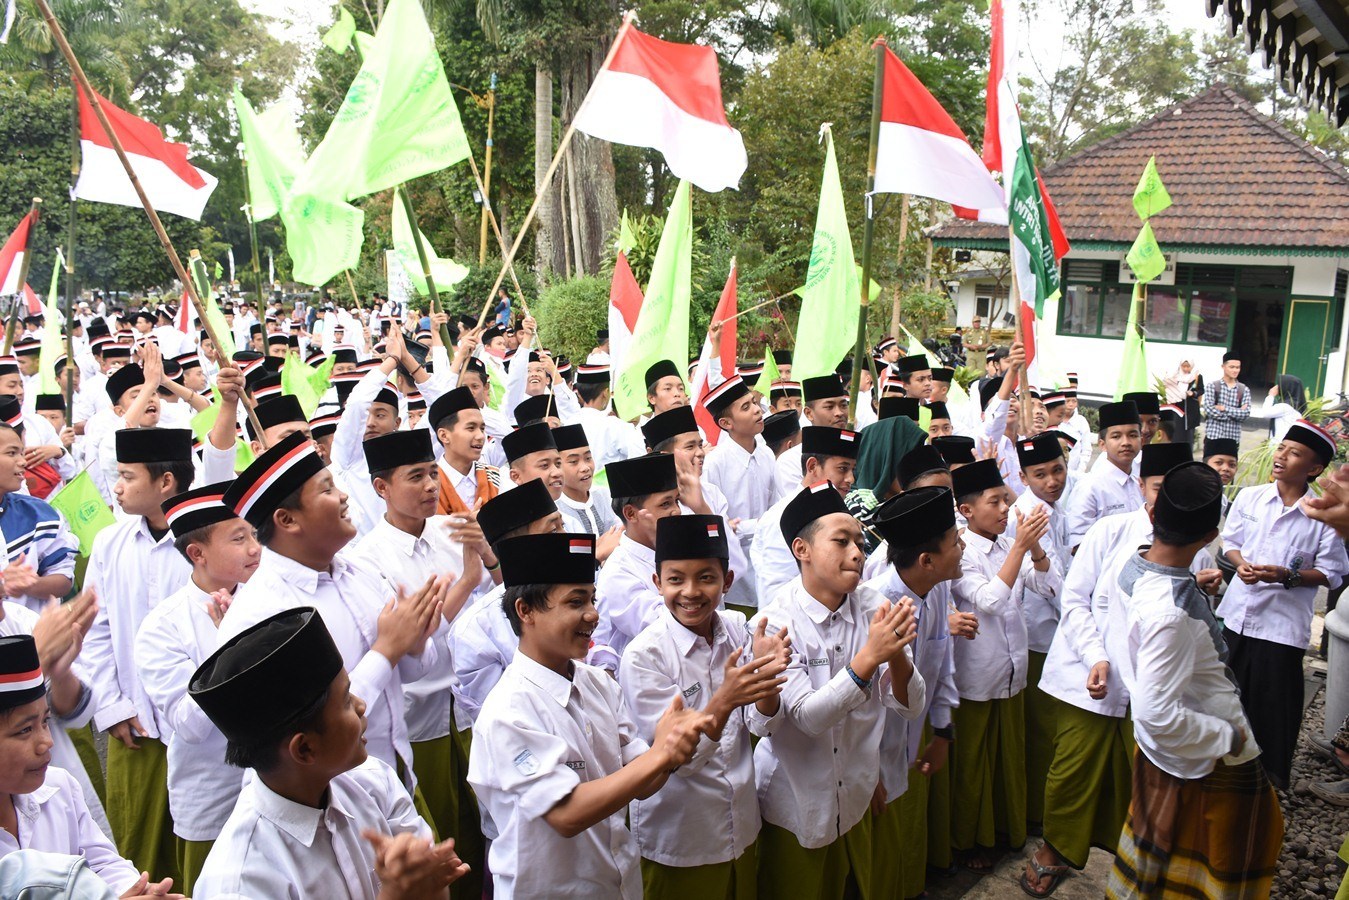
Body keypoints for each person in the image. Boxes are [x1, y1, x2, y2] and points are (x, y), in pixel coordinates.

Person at [467, 532, 713, 900]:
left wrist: (674, 747)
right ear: (525, 611)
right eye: (575, 601)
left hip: (614, 881)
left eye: (593, 599)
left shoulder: (597, 683)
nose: (593, 614)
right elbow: (567, 814)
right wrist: (662, 754)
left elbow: (642, 781)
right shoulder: (509, 710)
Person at [216, 431, 448, 790]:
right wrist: (386, 651)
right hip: (335, 804)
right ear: (287, 520)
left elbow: (414, 672)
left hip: (396, 780)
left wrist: (414, 642)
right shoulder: (264, 615)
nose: (343, 497)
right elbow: (311, 734)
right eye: (326, 490)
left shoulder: (359, 572)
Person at [1024, 442, 1204, 897]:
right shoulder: (1110, 530)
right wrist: (1096, 656)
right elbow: (1075, 598)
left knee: (1142, 775)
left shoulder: (1192, 543)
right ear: (1142, 487)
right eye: (1160, 489)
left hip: (1150, 686)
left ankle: (1137, 862)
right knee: (1071, 769)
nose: (1167, 502)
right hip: (1090, 675)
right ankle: (1055, 851)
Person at [191, 608, 468, 898]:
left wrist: (425, 877)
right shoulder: (240, 882)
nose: (361, 705)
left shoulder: (374, 782)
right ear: (305, 748)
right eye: (346, 701)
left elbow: (436, 887)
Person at [1104, 463, 1282, 899]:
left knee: (1158, 867)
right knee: (1225, 862)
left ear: (1151, 516)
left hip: (1167, 753)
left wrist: (1191, 587)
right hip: (1207, 757)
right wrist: (1226, 737)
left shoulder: (1136, 564)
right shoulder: (1169, 614)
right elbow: (1157, 712)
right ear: (1209, 537)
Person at [751, 483, 925, 899]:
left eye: (861, 543)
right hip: (795, 800)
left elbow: (911, 705)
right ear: (802, 549)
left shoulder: (871, 604)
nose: (857, 553)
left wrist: (897, 655)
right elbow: (808, 719)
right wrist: (870, 656)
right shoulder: (775, 622)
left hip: (858, 790)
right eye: (841, 541)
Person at [350, 428, 492, 899]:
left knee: (487, 814)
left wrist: (487, 560)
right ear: (381, 488)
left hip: (469, 698)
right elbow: (410, 641)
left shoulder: (450, 530)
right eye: (416, 477)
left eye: (433, 473)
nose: (432, 485)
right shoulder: (367, 560)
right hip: (420, 712)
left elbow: (493, 601)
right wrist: (466, 582)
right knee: (445, 829)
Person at [620, 515, 790, 898]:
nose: (691, 592)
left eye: (706, 578)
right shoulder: (645, 656)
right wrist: (725, 700)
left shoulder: (737, 629)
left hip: (742, 823)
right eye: (676, 579)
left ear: (727, 582)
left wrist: (767, 679)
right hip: (681, 839)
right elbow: (676, 763)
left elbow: (764, 726)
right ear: (657, 582)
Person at [80, 428, 198, 884]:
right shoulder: (110, 544)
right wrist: (111, 707)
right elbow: (96, 632)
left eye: (127, 476)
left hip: (200, 728)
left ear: (165, 482)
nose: (117, 487)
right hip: (135, 727)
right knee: (136, 855)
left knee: (199, 847)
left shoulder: (203, 539)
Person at [134, 483, 259, 894]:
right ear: (197, 554)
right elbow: (189, 725)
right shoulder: (162, 627)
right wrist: (231, 647)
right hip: (213, 797)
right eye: (239, 538)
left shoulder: (271, 599)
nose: (254, 548)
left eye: (254, 534)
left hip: (281, 787)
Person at [1219, 419, 1349, 789]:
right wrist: (1240, 563)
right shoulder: (1251, 497)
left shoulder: (1320, 514)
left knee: (1272, 710)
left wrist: (1286, 576)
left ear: (1314, 469)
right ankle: (1220, 776)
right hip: (1236, 617)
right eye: (1281, 449)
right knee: (1226, 698)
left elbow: (1333, 572)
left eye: (1295, 454)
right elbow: (1231, 541)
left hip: (1280, 627)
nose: (1281, 457)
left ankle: (1265, 784)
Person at [948, 457, 1059, 873]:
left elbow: (1049, 586)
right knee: (975, 765)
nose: (1003, 510)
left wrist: (1034, 548)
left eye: (1006, 501)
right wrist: (1018, 546)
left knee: (1007, 759)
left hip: (1012, 671)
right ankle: (969, 840)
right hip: (977, 676)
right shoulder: (960, 552)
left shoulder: (1002, 545)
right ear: (967, 510)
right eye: (995, 502)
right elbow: (991, 600)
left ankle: (1005, 832)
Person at [0, 635, 174, 898]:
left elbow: (102, 863)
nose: (46, 742)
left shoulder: (60, 787)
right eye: (25, 730)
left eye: (45, 721)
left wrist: (134, 891)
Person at [864, 486, 965, 900]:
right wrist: (865, 775)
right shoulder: (877, 606)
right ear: (927, 560)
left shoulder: (937, 587)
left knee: (905, 836)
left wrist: (943, 732)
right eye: (956, 543)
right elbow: (860, 703)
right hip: (870, 758)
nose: (963, 549)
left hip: (911, 740)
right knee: (876, 853)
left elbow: (944, 663)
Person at [588, 453, 681, 671]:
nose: (676, 510)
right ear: (631, 513)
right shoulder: (618, 572)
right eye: (665, 504)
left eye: (677, 500)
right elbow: (672, 625)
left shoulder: (675, 548)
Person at [751, 426, 859, 604]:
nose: (851, 479)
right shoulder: (782, 517)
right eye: (842, 469)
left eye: (853, 469)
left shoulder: (840, 510)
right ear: (812, 466)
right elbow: (774, 591)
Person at [1067, 401, 1143, 549]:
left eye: (1133, 435)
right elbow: (1077, 543)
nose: (1126, 442)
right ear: (1102, 445)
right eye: (1116, 436)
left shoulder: (1139, 483)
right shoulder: (1090, 487)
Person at [429, 386, 500, 515]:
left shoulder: (496, 479)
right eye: (471, 428)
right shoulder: (427, 486)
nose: (480, 436)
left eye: (482, 429)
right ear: (444, 436)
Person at [1202, 350, 1250, 445]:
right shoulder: (1212, 386)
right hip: (1213, 436)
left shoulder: (1244, 389)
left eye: (1237, 367)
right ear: (1223, 367)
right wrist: (1236, 413)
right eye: (1231, 367)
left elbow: (1245, 414)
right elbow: (1209, 410)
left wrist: (1224, 408)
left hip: (1233, 439)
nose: (1235, 370)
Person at [1263, 373, 1306, 442]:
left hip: (1278, 444)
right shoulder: (1296, 406)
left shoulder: (1285, 407)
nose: (1277, 387)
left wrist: (1271, 395)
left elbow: (1265, 413)